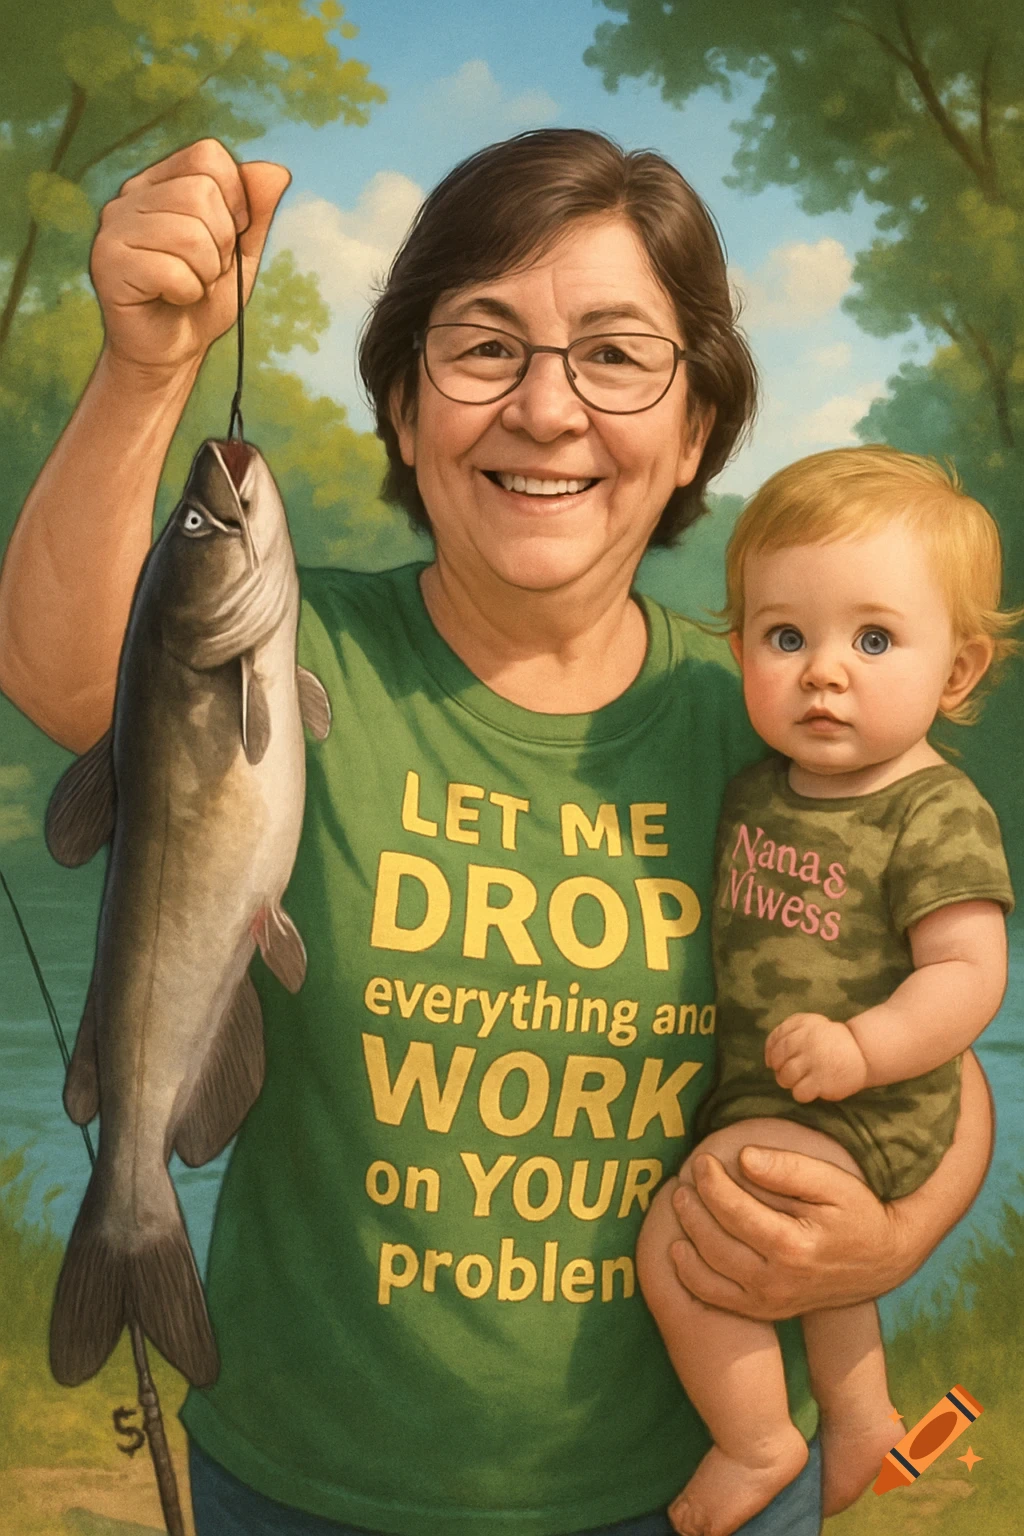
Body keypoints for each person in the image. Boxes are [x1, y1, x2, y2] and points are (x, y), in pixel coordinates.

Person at [0, 130, 999, 1536]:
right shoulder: (300, 656)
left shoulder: (775, 730)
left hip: (688, 1497)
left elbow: (939, 1045)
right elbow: (62, 674)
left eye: (614, 355)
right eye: (484, 349)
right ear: (404, 411)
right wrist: (148, 370)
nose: (547, 409)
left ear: (698, 427)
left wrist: (890, 1232)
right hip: (303, 1491)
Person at [637, 447, 1016, 1536]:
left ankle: (758, 1441)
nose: (822, 671)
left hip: (876, 1101)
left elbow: (967, 974)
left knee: (692, 1230)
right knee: (807, 1252)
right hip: (792, 1094)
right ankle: (860, 1417)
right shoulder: (758, 786)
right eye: (784, 636)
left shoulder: (933, 811)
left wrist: (865, 1049)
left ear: (957, 673)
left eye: (874, 639)